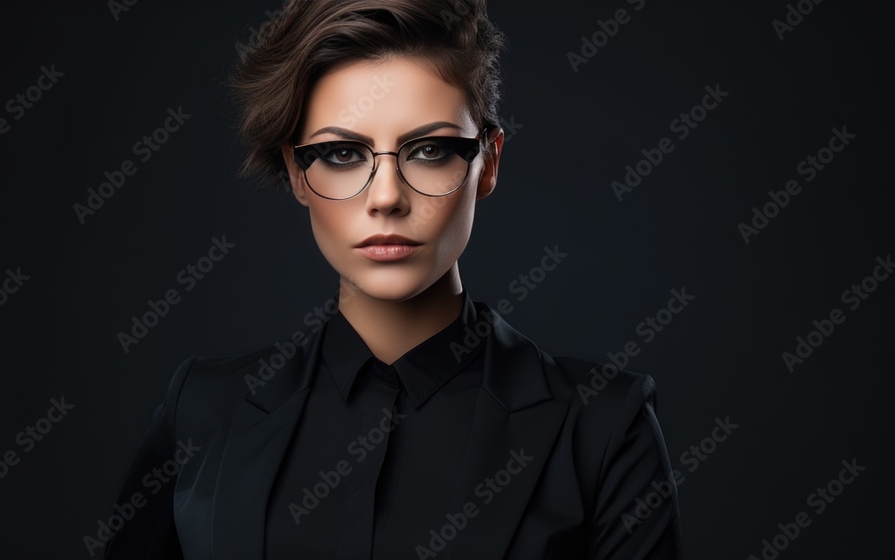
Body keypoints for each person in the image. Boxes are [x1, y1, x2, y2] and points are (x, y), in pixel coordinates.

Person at [104, 1, 683, 558]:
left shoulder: (603, 426)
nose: (386, 197)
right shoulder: (202, 411)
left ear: (489, 162)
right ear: (295, 172)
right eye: (341, 154)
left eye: (429, 150)